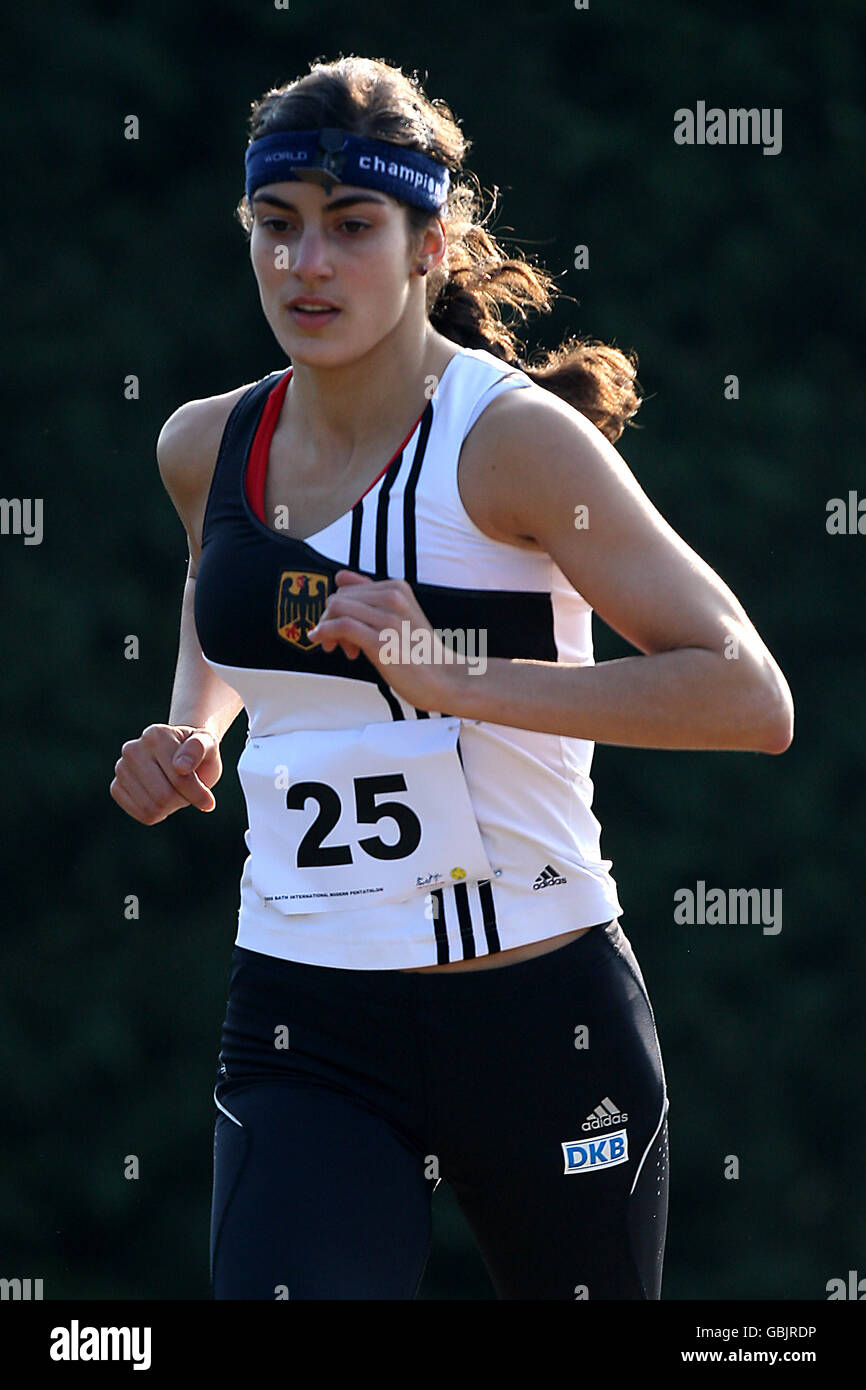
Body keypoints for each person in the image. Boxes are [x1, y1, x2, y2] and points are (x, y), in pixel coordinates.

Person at [109, 56, 794, 1301]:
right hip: (301, 1019)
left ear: (433, 243)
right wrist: (185, 732)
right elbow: (224, 610)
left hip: (537, 1015)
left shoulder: (513, 444)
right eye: (277, 227)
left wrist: (453, 673)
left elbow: (745, 694)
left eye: (351, 227)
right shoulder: (204, 443)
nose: (305, 266)